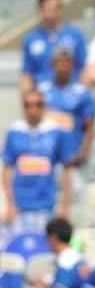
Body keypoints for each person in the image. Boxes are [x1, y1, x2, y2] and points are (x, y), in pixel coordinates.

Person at [3, 88, 72, 227]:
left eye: (38, 104)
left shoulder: (55, 131)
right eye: (28, 105)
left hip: (48, 205)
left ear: (44, 106)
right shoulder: (14, 131)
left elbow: (66, 170)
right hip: (20, 206)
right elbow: (7, 170)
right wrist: (10, 203)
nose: (33, 109)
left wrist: (64, 206)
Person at [39, 47, 95, 170]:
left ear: (72, 66)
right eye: (59, 63)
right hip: (46, 157)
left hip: (73, 157)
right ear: (52, 65)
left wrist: (83, 153)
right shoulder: (42, 91)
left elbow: (89, 127)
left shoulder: (82, 93)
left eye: (66, 64)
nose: (62, 68)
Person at [21, 0, 87, 96]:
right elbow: (27, 74)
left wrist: (82, 95)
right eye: (47, 10)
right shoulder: (31, 39)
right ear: (40, 10)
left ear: (60, 9)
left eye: (54, 9)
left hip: (71, 94)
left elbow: (83, 69)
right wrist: (27, 98)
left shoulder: (75, 35)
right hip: (42, 96)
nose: (51, 14)